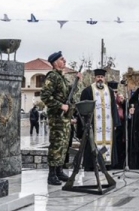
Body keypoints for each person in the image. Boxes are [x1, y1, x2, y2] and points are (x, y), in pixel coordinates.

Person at [40, 51, 75, 185]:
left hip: (65, 118)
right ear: (55, 63)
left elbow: (70, 94)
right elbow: (45, 96)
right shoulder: (53, 76)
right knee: (56, 145)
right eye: (62, 59)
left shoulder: (63, 78)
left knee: (64, 144)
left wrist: (78, 80)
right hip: (56, 117)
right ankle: (52, 174)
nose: (65, 61)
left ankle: (59, 170)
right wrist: (60, 106)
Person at [77, 69, 118, 171]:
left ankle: (107, 164)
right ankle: (92, 164)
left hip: (107, 126)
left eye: (102, 77)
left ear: (104, 78)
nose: (100, 79)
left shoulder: (110, 91)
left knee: (108, 143)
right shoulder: (87, 91)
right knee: (92, 143)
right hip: (93, 125)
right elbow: (82, 110)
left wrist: (116, 122)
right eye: (98, 77)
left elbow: (113, 107)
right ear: (94, 78)